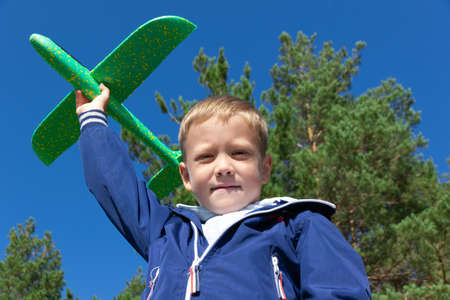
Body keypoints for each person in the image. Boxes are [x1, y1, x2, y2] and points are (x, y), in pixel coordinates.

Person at [76, 84, 372, 300]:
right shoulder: (165, 233)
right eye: (206, 157)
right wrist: (92, 121)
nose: (223, 167)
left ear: (265, 168)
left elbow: (340, 291)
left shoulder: (298, 223)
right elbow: (114, 186)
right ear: (186, 176)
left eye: (239, 153)